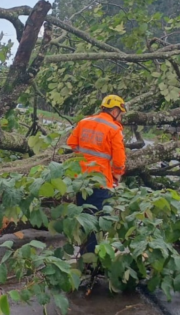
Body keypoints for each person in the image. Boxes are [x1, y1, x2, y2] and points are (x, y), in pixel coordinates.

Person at [67, 94, 127, 254]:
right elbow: (119, 160)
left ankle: (83, 252)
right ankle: (91, 259)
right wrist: (117, 174)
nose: (121, 117)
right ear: (114, 111)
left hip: (80, 180)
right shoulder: (114, 129)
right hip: (100, 181)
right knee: (97, 220)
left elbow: (71, 144)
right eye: (121, 113)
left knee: (83, 217)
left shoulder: (84, 122)